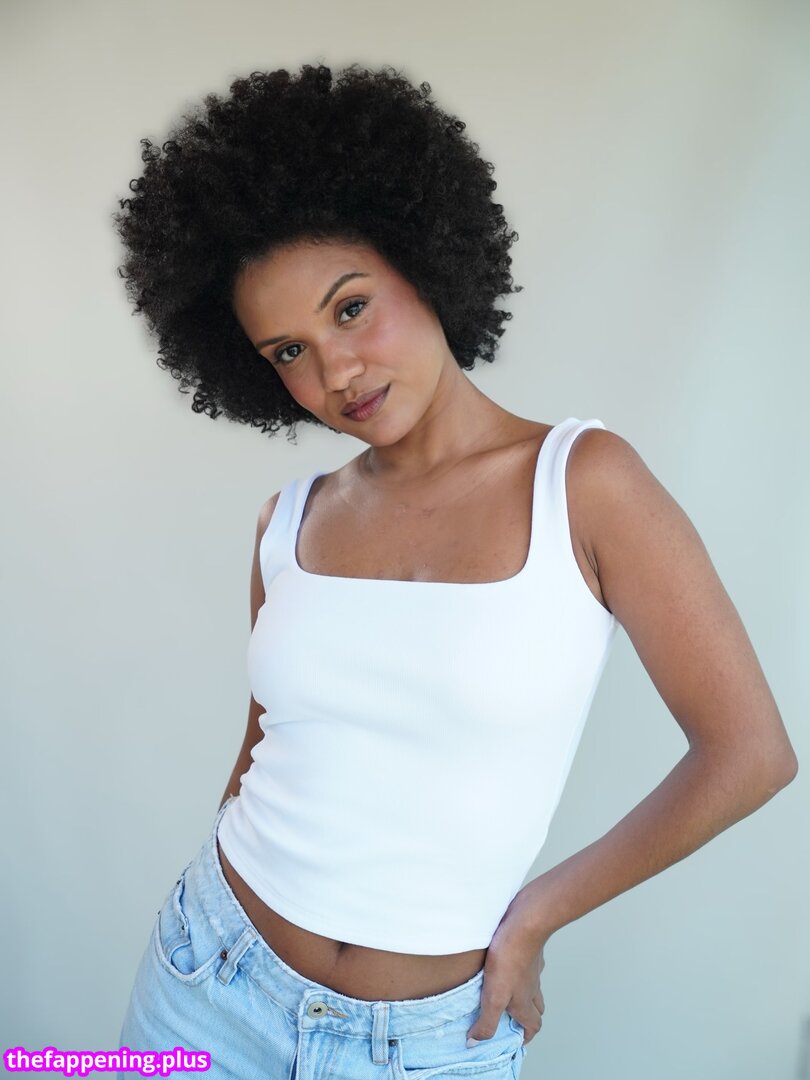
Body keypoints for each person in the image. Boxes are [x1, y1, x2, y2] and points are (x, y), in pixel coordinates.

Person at [112, 62, 798, 1080]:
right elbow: (266, 744)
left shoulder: (583, 484)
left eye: (351, 309)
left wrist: (538, 917)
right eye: (288, 351)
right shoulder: (288, 522)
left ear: (424, 258)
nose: (336, 371)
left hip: (429, 1043)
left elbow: (750, 755)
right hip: (205, 980)